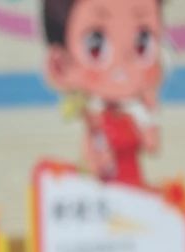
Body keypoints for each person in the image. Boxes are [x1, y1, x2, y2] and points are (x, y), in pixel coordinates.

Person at [41, 0, 164, 186]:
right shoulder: (94, 120)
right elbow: (90, 163)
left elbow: (152, 144)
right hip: (105, 193)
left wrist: (150, 112)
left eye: (142, 41)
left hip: (135, 188)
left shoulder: (136, 114)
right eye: (95, 45)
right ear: (60, 64)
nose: (122, 69)